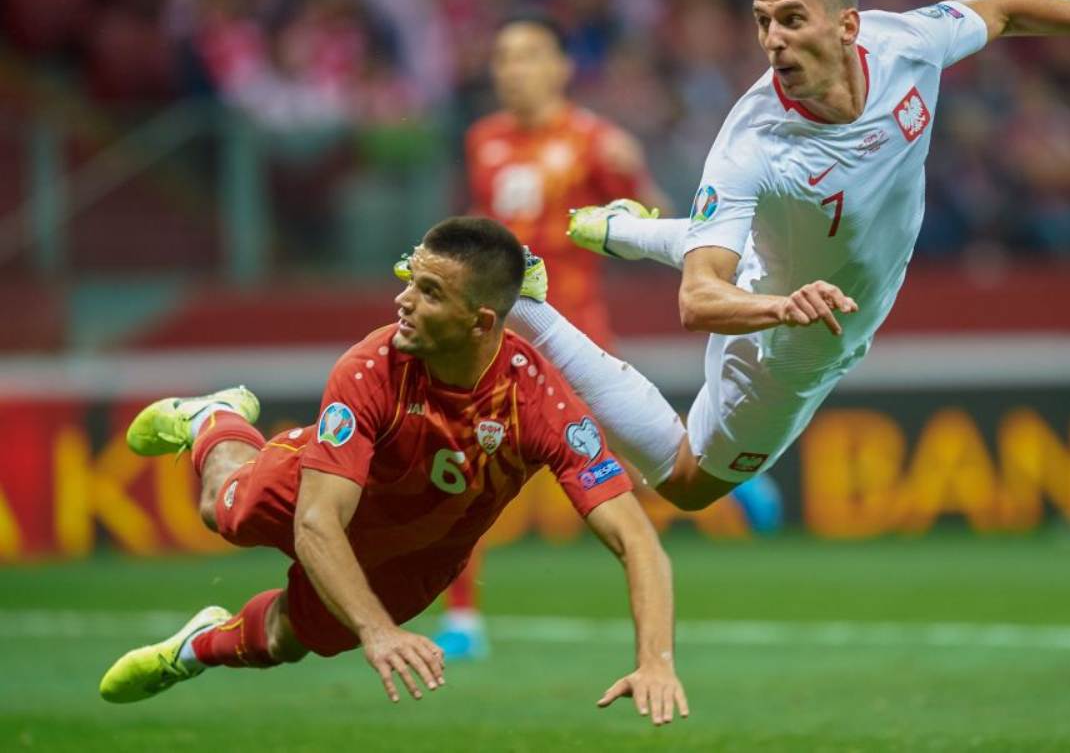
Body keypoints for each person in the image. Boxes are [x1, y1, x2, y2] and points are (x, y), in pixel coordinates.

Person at [503, 0, 1070, 511]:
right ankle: (533, 308)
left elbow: (1007, 9)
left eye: (792, 18)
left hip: (794, 280)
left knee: (751, 254)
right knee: (689, 484)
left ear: (848, 24)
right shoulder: (752, 143)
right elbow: (699, 301)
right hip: (789, 340)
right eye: (763, 22)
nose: (773, 40)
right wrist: (779, 312)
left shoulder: (904, 42)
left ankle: (623, 228)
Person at [99, 217, 690, 726]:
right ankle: (216, 417)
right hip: (324, 490)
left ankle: (195, 649)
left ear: (481, 322)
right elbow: (317, 522)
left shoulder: (540, 405)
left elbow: (637, 540)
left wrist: (656, 660)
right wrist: (377, 630)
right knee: (223, 513)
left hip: (420, 554)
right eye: (411, 281)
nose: (403, 301)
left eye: (429, 293)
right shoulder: (370, 368)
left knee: (290, 641)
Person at [439, 12, 779, 659]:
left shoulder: (601, 143)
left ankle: (732, 471)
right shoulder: (483, 139)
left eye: (529, 55)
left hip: (577, 336)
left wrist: (631, 214)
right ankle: (463, 620)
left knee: (640, 463)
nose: (512, 69)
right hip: (505, 339)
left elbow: (657, 214)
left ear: (562, 68)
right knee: (464, 464)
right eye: (504, 58)